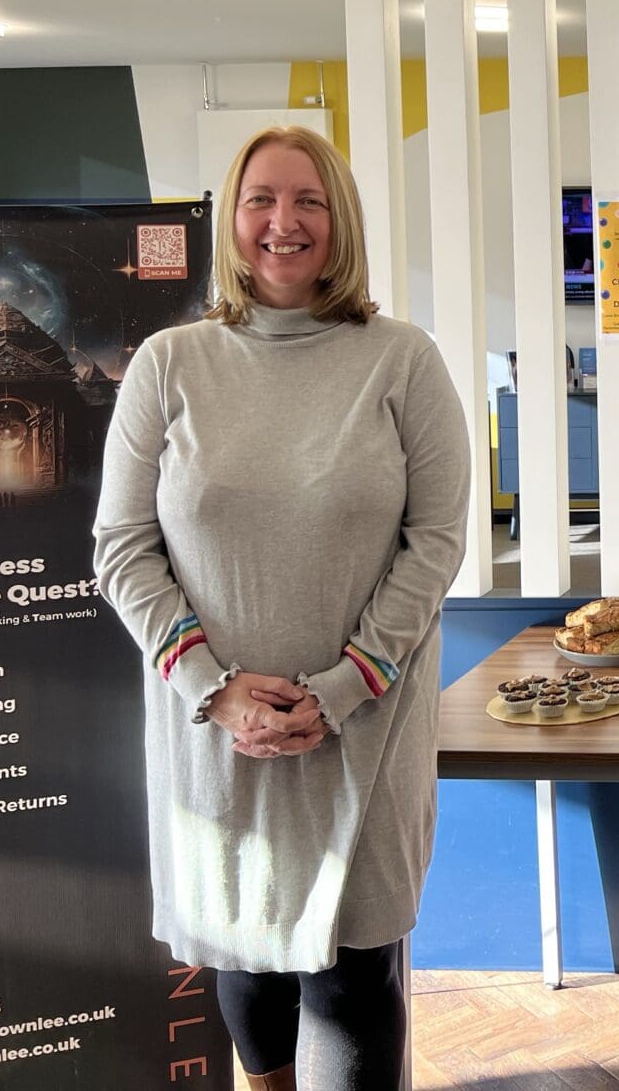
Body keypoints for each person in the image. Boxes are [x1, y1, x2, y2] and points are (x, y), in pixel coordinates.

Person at [95, 125, 469, 1091]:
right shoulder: (168, 364)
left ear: (339, 221)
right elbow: (122, 547)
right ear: (233, 219)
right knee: (243, 967)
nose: (284, 222)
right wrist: (214, 691)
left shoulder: (402, 362)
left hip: (365, 729)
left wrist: (346, 687)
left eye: (309, 200)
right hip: (216, 733)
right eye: (262, 199)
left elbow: (435, 544)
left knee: (354, 976)